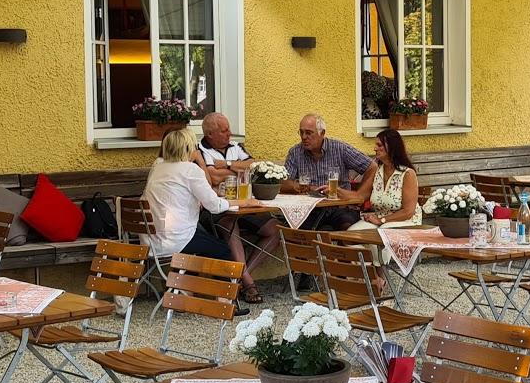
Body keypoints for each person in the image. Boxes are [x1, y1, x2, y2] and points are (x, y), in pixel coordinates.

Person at [141, 128, 253, 312]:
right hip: (177, 239)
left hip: (152, 240)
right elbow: (214, 206)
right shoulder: (190, 170)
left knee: (207, 242)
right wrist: (245, 202)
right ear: (188, 148)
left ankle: (190, 291)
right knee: (223, 250)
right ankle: (223, 303)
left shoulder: (158, 166)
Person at [192, 112, 281, 304]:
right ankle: (249, 284)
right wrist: (238, 169)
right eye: (224, 131)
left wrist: (226, 164)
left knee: (274, 229)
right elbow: (212, 178)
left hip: (242, 205)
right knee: (230, 224)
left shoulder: (236, 147)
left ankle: (240, 277)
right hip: (214, 210)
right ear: (209, 134)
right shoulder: (198, 150)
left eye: (229, 129)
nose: (229, 134)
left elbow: (254, 166)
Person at [344, 128, 422, 292]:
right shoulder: (376, 171)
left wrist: (382, 220)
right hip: (379, 218)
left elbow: (408, 211)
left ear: (391, 148)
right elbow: (360, 196)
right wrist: (334, 190)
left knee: (381, 233)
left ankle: (381, 277)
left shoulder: (407, 174)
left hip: (406, 220)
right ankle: (373, 276)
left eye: (379, 145)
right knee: (350, 235)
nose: (375, 148)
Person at [283, 112, 376, 231]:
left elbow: (372, 166)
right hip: (309, 210)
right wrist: (306, 187)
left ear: (322, 133)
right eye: (301, 132)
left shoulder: (339, 148)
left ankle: (345, 248)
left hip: (340, 207)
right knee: (292, 229)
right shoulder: (295, 152)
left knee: (347, 227)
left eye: (309, 133)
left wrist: (360, 194)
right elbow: (284, 183)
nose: (304, 137)